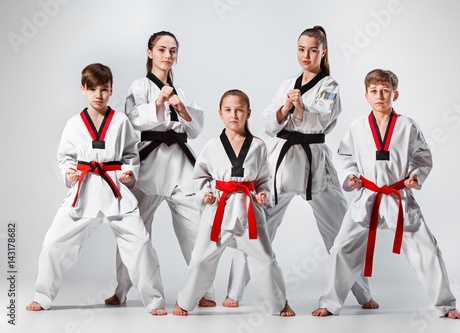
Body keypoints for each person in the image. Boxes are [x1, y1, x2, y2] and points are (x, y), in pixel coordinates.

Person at [224, 26, 376, 309]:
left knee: (342, 230)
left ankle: (363, 294)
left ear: (323, 52)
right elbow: (269, 122)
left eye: (313, 50)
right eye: (301, 49)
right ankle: (234, 292)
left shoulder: (330, 86)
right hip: (280, 160)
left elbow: (321, 121)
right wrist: (285, 108)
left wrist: (301, 110)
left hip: (314, 161)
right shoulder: (287, 84)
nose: (306, 55)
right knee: (255, 224)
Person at [312, 69, 460, 319]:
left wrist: (416, 175)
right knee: (341, 247)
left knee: (429, 249)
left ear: (395, 94)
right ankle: (330, 302)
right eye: (374, 91)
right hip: (367, 196)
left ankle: (446, 305)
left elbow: (423, 157)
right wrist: (350, 177)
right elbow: (345, 156)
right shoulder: (357, 126)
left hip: (398, 197)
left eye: (385, 91)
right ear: (366, 95)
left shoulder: (407, 125)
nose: (379, 96)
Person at [26, 64, 167, 315]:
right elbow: (65, 157)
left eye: (104, 89)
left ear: (111, 90)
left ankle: (154, 300)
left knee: (141, 244)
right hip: (84, 191)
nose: (98, 95)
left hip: (115, 191)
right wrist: (69, 172)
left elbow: (131, 154)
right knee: (53, 244)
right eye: (92, 89)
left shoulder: (121, 122)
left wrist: (129, 172)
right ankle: (43, 295)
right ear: (83, 90)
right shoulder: (73, 124)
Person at [105, 31, 214, 307]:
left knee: (196, 230)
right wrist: (158, 103)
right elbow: (132, 120)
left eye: (173, 51)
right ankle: (122, 290)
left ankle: (202, 291)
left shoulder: (181, 91)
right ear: (150, 52)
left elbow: (196, 127)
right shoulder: (139, 86)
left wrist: (180, 107)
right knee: (134, 231)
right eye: (162, 49)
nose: (168, 55)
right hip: (149, 166)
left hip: (179, 166)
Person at [172, 90, 295, 317]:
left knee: (266, 260)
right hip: (218, 210)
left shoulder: (257, 146)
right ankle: (184, 302)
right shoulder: (212, 146)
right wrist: (205, 194)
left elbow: (264, 179)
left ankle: (279, 304)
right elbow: (200, 177)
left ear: (248, 113)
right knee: (200, 259)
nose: (234, 115)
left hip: (249, 211)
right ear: (220, 114)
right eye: (228, 110)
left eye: (239, 110)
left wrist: (261, 195)